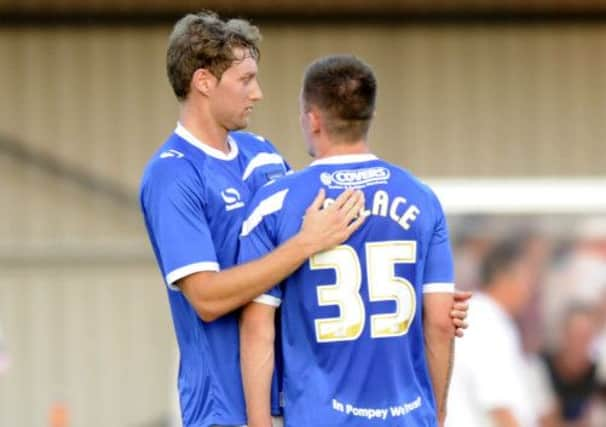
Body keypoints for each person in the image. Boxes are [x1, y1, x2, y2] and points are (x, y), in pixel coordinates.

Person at [140, 11, 470, 427]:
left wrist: (410, 298)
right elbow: (206, 299)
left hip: (292, 402)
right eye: (245, 80)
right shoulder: (172, 174)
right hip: (225, 408)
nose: (257, 93)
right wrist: (304, 245)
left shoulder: (261, 154)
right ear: (204, 82)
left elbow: (314, 249)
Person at [238, 55, 456, 427]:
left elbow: (258, 328)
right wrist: (435, 415)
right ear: (369, 116)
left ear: (313, 119)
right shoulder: (422, 199)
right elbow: (440, 321)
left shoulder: (276, 202)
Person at [446, 238, 543, 427]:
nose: (530, 289)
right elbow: (498, 404)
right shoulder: (486, 320)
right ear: (506, 276)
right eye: (528, 278)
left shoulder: (483, 314)